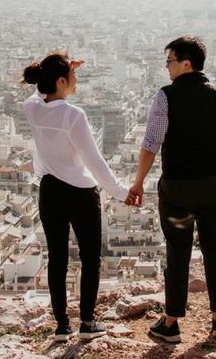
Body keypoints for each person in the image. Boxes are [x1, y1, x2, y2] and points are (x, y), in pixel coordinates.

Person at [21, 52, 136, 342]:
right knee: (90, 258)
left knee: (57, 259)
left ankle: (62, 325)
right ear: (61, 81)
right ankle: (87, 321)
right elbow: (95, 162)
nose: (77, 80)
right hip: (80, 193)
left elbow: (38, 94)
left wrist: (58, 71)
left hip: (49, 191)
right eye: (72, 76)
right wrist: (121, 193)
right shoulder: (74, 115)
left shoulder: (33, 110)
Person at [129, 36, 216, 343]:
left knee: (178, 253)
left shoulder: (166, 97)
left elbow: (151, 144)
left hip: (177, 189)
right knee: (215, 251)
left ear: (186, 64)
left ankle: (172, 323)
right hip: (213, 187)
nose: (167, 69)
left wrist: (138, 183)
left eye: (170, 62)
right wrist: (212, 178)